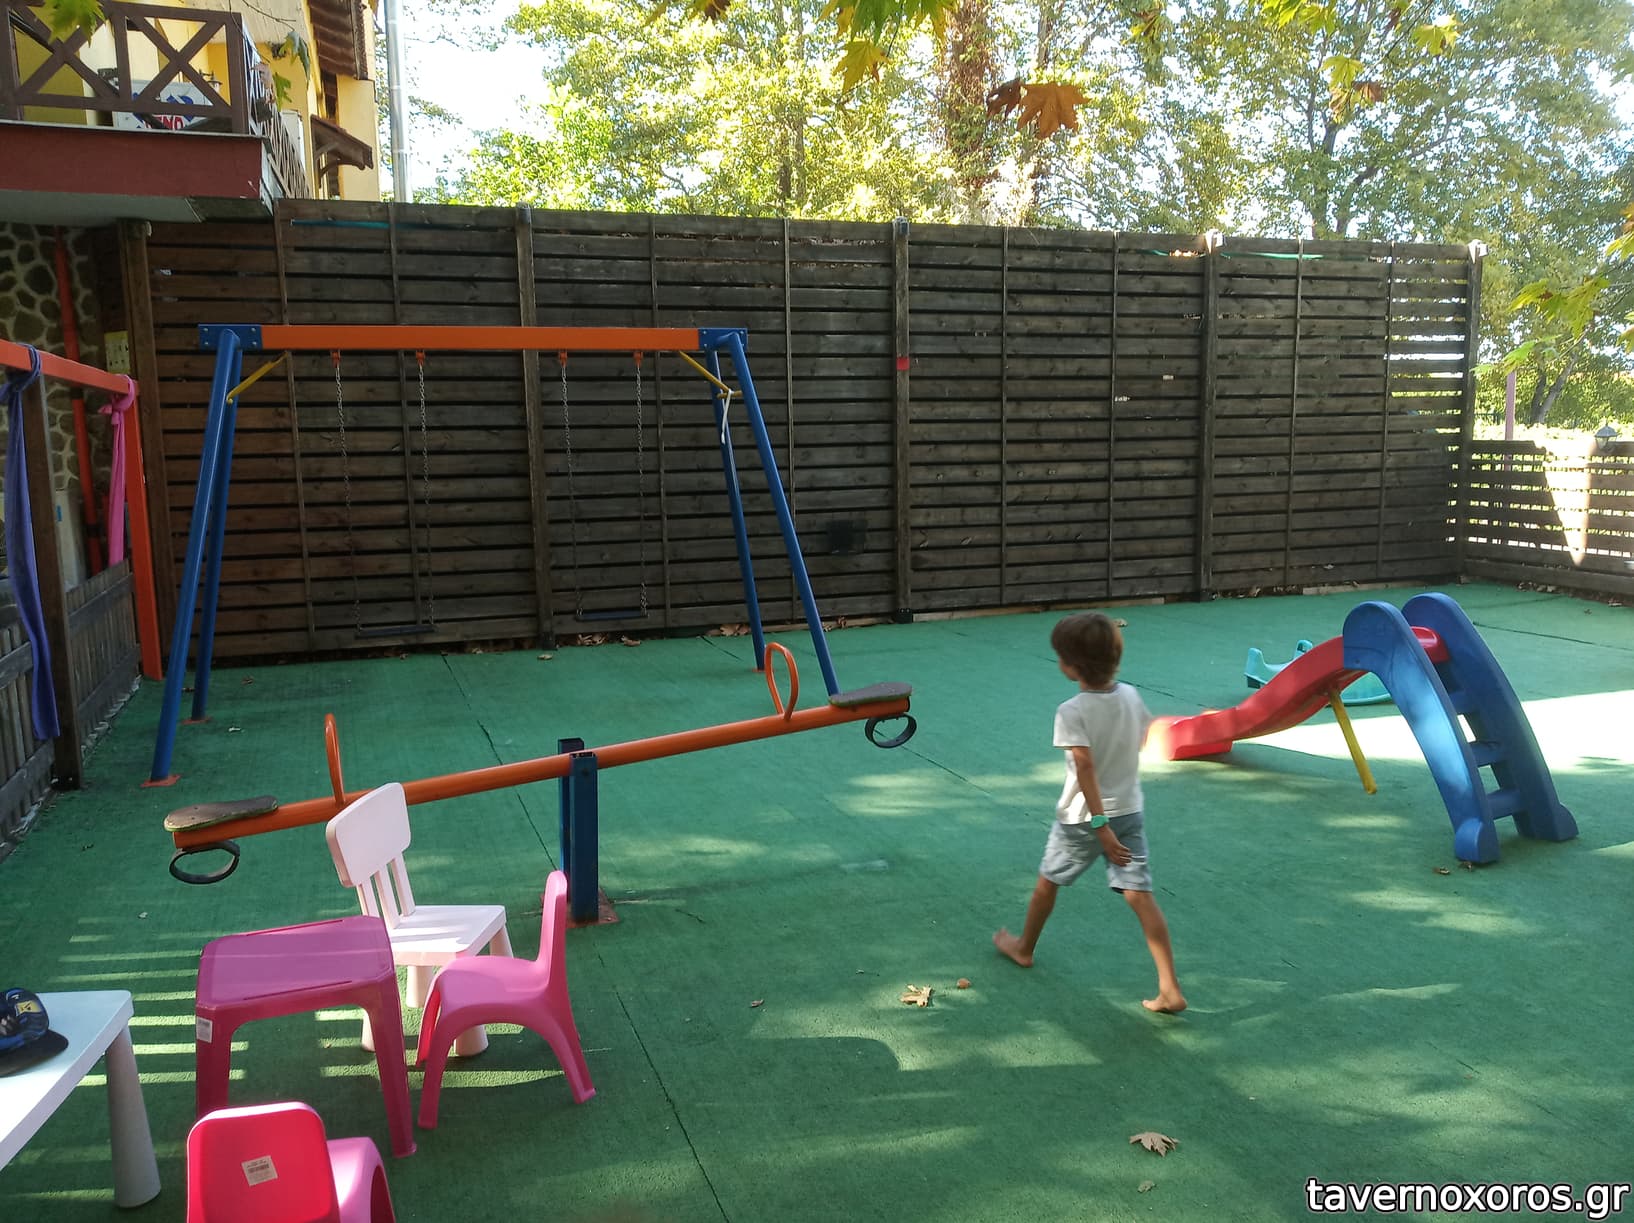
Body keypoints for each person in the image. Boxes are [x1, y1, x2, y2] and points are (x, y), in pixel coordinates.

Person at [993, 612, 1186, 1014]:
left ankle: (1024, 948)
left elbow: (1084, 767)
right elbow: (1143, 735)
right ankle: (1170, 988)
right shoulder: (1130, 695)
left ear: (1072, 666)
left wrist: (1100, 826)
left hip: (1082, 821)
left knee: (1047, 883)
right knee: (1141, 896)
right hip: (1129, 812)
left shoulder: (1072, 710)